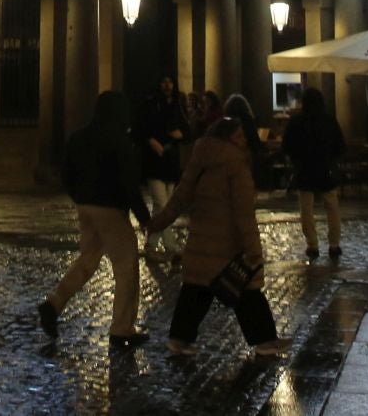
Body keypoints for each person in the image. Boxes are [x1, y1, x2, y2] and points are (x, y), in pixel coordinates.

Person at [147, 115, 290, 358]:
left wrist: (156, 223)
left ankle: (179, 339)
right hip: (228, 245)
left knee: (196, 290)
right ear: (226, 138)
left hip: (202, 242)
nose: (243, 140)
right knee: (247, 291)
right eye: (239, 136)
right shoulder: (236, 166)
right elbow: (244, 213)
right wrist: (253, 249)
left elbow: (179, 199)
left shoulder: (200, 159)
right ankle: (265, 340)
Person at [39, 91, 151, 349]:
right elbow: (128, 183)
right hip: (110, 208)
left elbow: (66, 173)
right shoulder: (118, 140)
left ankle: (54, 303)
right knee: (126, 266)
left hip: (86, 206)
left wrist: (78, 197)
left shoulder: (79, 137)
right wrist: (143, 217)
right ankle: (122, 328)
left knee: (87, 260)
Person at [281, 87, 346, 260]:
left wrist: (296, 159)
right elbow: (340, 144)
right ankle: (334, 244)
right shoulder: (329, 120)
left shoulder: (296, 121)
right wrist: (332, 159)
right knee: (332, 207)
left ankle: (312, 244)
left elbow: (287, 145)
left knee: (306, 209)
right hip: (325, 167)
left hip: (304, 168)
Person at [139, 75, 189, 257]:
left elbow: (187, 130)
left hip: (170, 162)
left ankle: (151, 245)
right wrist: (153, 140)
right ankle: (171, 245)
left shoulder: (177, 104)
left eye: (170, 82)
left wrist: (180, 135)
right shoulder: (151, 104)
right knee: (163, 205)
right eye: (163, 81)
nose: (167, 85)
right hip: (155, 162)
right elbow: (142, 129)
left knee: (162, 208)